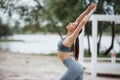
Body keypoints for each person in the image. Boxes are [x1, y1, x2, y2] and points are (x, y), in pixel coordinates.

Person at [57, 3, 96, 80]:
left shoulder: (72, 37)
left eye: (72, 24)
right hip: (77, 67)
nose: (70, 23)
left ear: (75, 29)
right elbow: (78, 20)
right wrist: (87, 10)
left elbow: (82, 22)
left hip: (75, 68)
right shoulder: (68, 36)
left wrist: (92, 11)